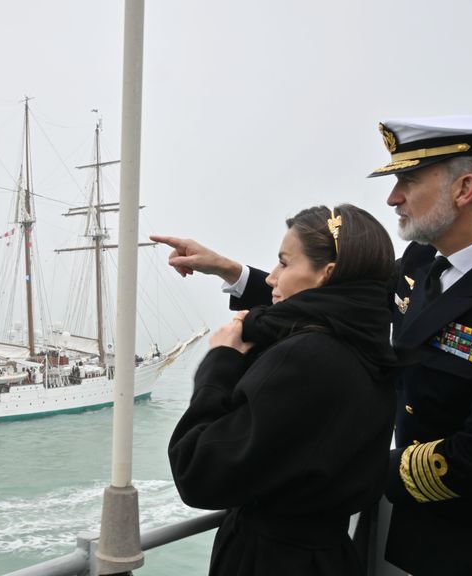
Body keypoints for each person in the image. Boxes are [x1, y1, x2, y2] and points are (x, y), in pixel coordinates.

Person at [155, 115, 472, 575]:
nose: (392, 197)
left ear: (465, 189)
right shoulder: (421, 263)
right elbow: (342, 300)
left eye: (408, 180)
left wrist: (335, 466)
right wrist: (229, 271)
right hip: (427, 533)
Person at [167, 204, 398, 575]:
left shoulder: (303, 359)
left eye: (284, 263)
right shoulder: (369, 346)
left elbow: (197, 472)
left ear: (327, 275)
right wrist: (229, 270)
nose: (272, 278)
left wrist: (220, 362)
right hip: (331, 556)